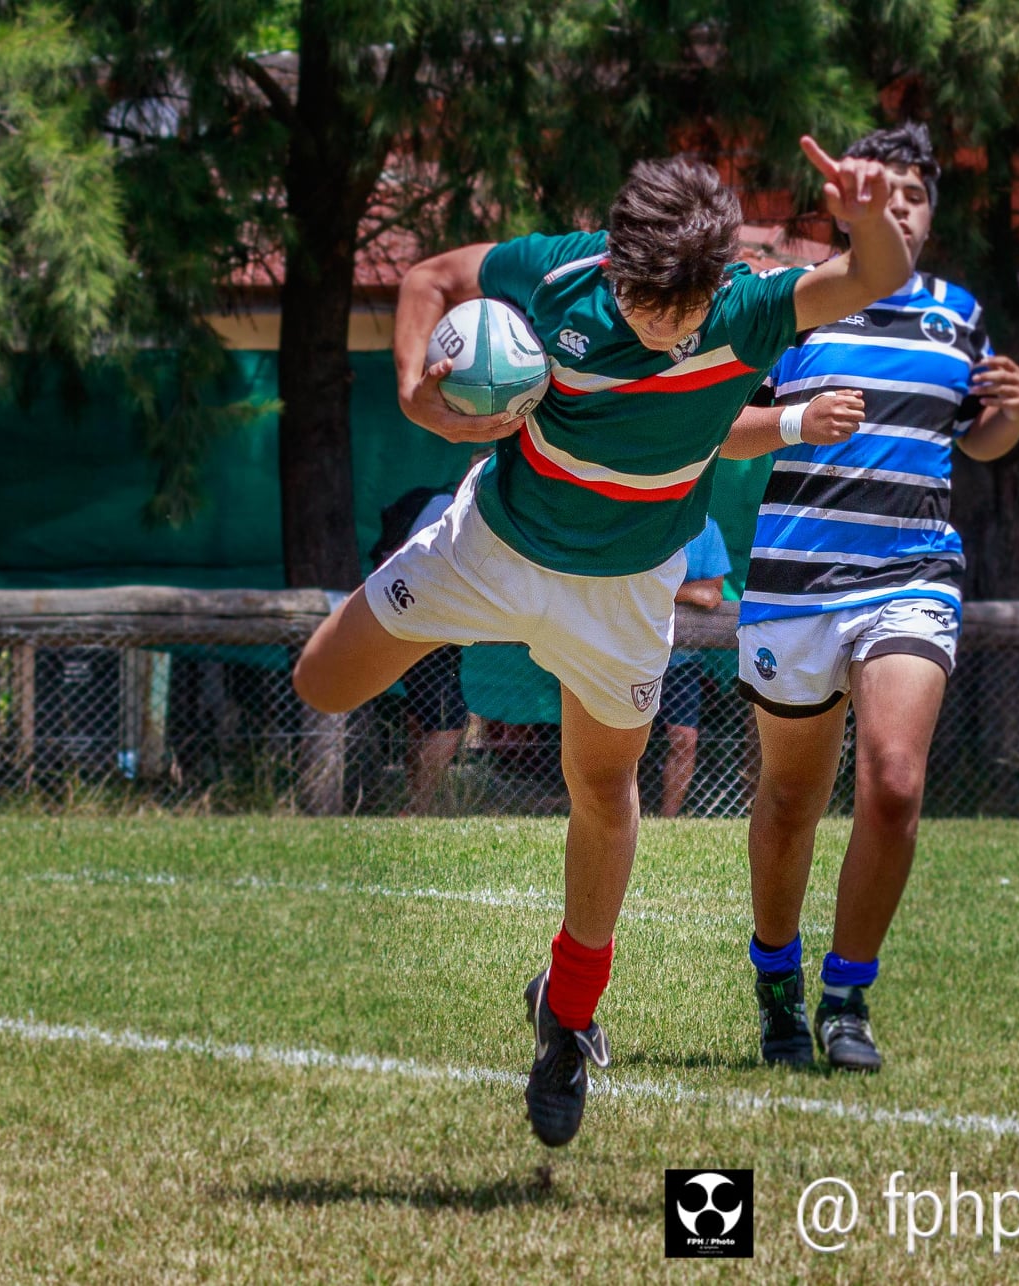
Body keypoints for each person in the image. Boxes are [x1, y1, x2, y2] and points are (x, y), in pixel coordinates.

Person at [291, 140, 910, 1147]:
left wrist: (869, 211)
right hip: (493, 544)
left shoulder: (750, 307)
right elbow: (428, 276)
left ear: (720, 282)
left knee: (603, 789)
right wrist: (419, 396)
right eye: (649, 306)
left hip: (625, 591)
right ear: (614, 262)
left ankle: (565, 1013)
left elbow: (875, 275)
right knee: (323, 680)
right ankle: (566, 1004)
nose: (670, 330)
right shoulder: (558, 272)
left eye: (688, 310)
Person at [721, 124, 1019, 1072]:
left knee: (893, 784)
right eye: (882, 189)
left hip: (912, 573)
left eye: (915, 194)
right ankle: (777, 979)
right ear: (846, 199)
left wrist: (1009, 418)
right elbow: (714, 429)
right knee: (788, 798)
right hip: (794, 584)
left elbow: (977, 442)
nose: (899, 206)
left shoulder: (957, 313)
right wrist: (792, 420)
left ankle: (846, 994)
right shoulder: (795, 304)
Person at [370, 484, 470, 815]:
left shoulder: (438, 504)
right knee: (450, 723)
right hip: (427, 624)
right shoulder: (447, 508)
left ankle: (414, 802)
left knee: (422, 715)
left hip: (415, 622)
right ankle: (418, 808)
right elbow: (423, 563)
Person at [658, 515, 732, 817]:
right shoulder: (640, 515)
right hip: (631, 655)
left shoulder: (708, 527)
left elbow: (714, 593)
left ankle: (667, 821)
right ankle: (616, 814)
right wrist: (688, 592)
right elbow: (628, 582)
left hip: (683, 660)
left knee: (685, 739)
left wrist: (665, 591)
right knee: (621, 739)